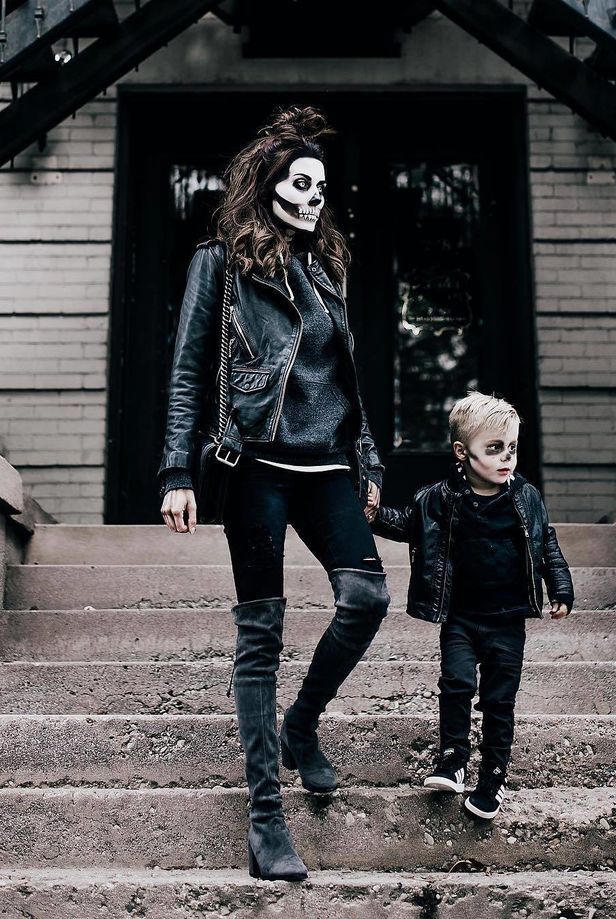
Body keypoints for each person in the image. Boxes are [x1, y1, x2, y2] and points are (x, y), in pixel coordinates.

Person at [158, 105, 390, 881]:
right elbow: (190, 370)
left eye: (323, 186)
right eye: (302, 183)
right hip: (253, 461)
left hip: (326, 463)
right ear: (268, 186)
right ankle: (265, 818)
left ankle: (302, 722)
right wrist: (176, 472)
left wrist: (369, 460)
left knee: (366, 598)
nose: (316, 196)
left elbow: (346, 376)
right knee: (260, 636)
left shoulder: (330, 268)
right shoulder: (220, 263)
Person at [371, 392, 574, 820]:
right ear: (463, 452)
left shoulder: (526, 497)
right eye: (494, 448)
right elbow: (409, 525)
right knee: (457, 684)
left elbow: (546, 542)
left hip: (508, 620)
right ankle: (453, 759)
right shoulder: (439, 499)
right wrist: (371, 514)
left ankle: (492, 778)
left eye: (512, 448)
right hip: (461, 617)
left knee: (499, 701)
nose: (507, 458)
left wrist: (560, 587)